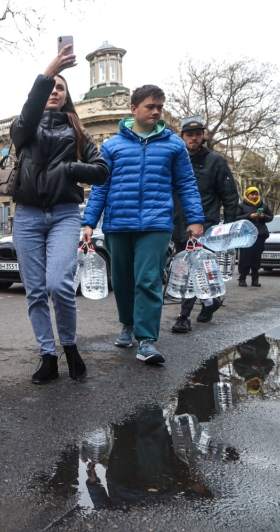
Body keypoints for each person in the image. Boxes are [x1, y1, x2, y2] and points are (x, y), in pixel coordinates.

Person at [82, 85, 205, 365]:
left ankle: (147, 340)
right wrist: (89, 222)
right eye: (150, 106)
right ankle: (128, 324)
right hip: (117, 224)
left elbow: (186, 183)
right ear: (134, 109)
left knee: (148, 280)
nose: (156, 111)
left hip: (156, 223)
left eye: (160, 106)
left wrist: (196, 218)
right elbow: (100, 187)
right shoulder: (112, 146)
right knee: (123, 281)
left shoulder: (174, 145)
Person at [8, 46, 108, 385]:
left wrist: (69, 168)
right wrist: (48, 72)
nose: (54, 91)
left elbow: (102, 169)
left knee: (58, 285)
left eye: (60, 88)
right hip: (27, 216)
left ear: (67, 97)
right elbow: (25, 117)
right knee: (35, 290)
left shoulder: (78, 130)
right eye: (50, 87)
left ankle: (70, 346)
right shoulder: (25, 129)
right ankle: (47, 355)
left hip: (65, 215)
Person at [170, 116, 239, 333]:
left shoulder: (216, 162)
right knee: (187, 269)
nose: (194, 137)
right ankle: (210, 302)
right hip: (179, 225)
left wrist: (227, 229)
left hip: (207, 227)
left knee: (196, 270)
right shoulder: (175, 160)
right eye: (189, 134)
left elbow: (230, 197)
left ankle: (184, 316)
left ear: (203, 136)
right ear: (182, 137)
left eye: (198, 133)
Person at [236, 187, 274, 287]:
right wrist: (249, 216)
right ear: (247, 195)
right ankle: (242, 278)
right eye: (252, 194)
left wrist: (263, 217)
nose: (254, 196)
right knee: (246, 257)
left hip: (260, 235)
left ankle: (255, 279)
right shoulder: (241, 205)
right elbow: (235, 218)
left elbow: (270, 217)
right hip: (246, 235)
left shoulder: (263, 205)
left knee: (256, 257)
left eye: (256, 194)